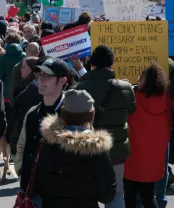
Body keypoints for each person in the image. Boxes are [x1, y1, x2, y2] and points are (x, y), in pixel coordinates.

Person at [74, 45, 136, 208]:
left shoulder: (80, 88)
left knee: (86, 194)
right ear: (111, 64)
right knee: (117, 193)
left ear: (92, 64)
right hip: (116, 150)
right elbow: (132, 110)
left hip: (88, 149)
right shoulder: (125, 88)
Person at [33, 90, 116, 208]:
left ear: (63, 114)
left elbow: (39, 184)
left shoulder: (46, 144)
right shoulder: (97, 151)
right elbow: (107, 195)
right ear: (90, 117)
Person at [15, 57, 73, 206]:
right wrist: (21, 169)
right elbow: (22, 144)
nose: (41, 80)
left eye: (47, 76)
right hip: (31, 190)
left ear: (62, 81)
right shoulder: (32, 113)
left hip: (62, 196)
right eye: (40, 75)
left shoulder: (72, 115)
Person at [124, 63, 173, 208]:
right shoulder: (167, 102)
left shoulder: (132, 99)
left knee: (130, 197)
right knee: (148, 195)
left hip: (131, 159)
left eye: (141, 78)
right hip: (154, 161)